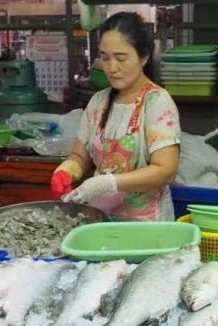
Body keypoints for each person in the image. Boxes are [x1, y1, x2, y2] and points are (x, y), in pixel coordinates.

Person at [51, 12, 181, 221]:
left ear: (144, 56)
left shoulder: (156, 103)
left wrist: (107, 182)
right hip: (101, 219)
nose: (111, 68)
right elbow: (80, 155)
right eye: (105, 57)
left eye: (121, 58)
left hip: (146, 227)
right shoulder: (98, 103)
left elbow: (166, 171)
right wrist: (68, 170)